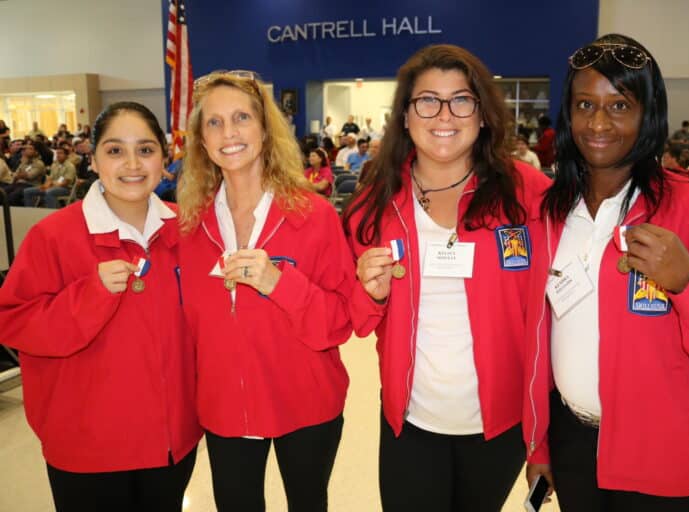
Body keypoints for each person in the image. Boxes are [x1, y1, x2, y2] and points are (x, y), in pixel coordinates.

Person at [523, 33, 689, 512]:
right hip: (575, 447)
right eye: (585, 104)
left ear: (647, 115)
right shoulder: (548, 212)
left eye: (619, 106)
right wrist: (540, 442)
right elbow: (537, 341)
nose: (598, 122)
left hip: (669, 459)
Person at [343, 44, 550, 512]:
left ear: (482, 115)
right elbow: (355, 321)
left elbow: (554, 313)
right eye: (427, 100)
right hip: (410, 424)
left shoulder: (528, 194)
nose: (444, 114)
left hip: (499, 426)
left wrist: (544, 434)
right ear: (404, 116)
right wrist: (369, 295)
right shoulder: (373, 206)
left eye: (461, 100)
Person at [0, 101, 202, 511]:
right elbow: (14, 323)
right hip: (88, 448)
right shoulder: (52, 236)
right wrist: (90, 294)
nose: (132, 163)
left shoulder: (188, 229)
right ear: (92, 160)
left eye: (145, 149)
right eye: (114, 150)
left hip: (170, 443)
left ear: (165, 159)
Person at [176, 70, 355, 511]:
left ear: (264, 129)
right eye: (213, 123)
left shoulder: (313, 215)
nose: (229, 132)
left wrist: (280, 283)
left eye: (241, 117)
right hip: (225, 408)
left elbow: (340, 322)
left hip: (306, 404)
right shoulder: (189, 224)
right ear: (200, 139)